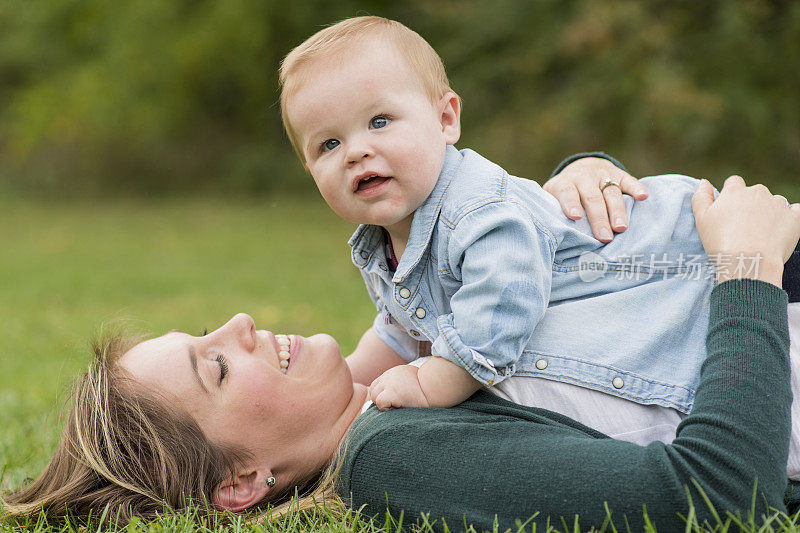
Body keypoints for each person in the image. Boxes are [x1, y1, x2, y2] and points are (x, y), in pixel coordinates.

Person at [2, 166, 799, 531]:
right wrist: (747, 272)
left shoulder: (416, 353)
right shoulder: (394, 454)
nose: (239, 322)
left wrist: (578, 181)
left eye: (207, 330)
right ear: (241, 482)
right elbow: (714, 497)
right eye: (215, 365)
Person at [278, 17, 797, 426]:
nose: (356, 152)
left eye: (379, 121)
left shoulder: (476, 211)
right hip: (657, 297)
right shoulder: (382, 244)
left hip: (684, 249)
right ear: (309, 169)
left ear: (446, 119)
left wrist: (436, 380)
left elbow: (505, 299)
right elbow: (398, 329)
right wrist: (349, 381)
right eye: (329, 144)